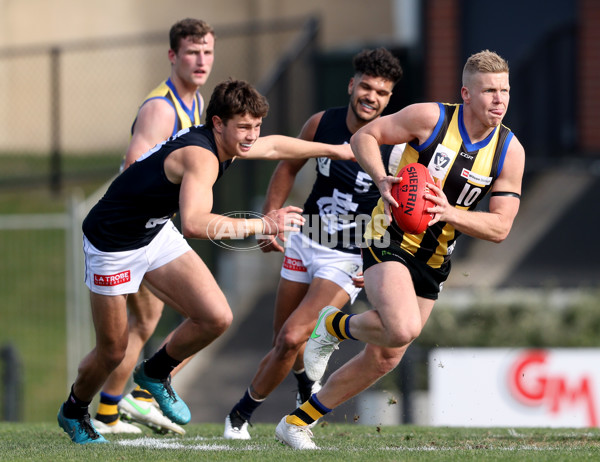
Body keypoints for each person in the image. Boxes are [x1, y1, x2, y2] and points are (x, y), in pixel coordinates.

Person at [57, 78, 355, 444]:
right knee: (113, 350)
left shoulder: (230, 141)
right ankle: (74, 411)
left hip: (152, 232)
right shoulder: (201, 156)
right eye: (244, 127)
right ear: (217, 123)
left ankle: (154, 372)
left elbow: (276, 145)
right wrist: (264, 223)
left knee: (216, 316)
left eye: (256, 126)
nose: (251, 135)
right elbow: (196, 224)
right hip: (112, 245)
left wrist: (337, 150)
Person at [275, 49, 525, 449]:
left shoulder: (510, 151)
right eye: (490, 91)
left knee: (387, 356)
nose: (500, 99)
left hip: (435, 257)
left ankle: (297, 421)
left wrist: (448, 213)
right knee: (403, 327)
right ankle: (333, 325)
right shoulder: (431, 118)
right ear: (466, 93)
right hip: (386, 235)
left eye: (505, 91)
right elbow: (364, 136)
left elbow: (500, 227)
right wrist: (380, 178)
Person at [223, 48, 403, 440]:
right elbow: (288, 165)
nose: (372, 97)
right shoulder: (322, 123)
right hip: (307, 239)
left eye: (382, 92)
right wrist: (270, 221)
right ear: (351, 84)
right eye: (367, 87)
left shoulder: (397, 145)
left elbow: (402, 212)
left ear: (390, 100)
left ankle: (238, 417)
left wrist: (379, 263)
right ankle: (306, 387)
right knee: (283, 342)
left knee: (292, 336)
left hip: (349, 253)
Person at [92, 18, 215, 436]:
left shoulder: (197, 103)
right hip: (133, 231)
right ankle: (129, 400)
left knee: (146, 324)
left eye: (207, 52)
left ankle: (115, 407)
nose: (201, 61)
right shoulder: (162, 107)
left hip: (149, 227)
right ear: (172, 57)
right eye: (192, 53)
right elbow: (135, 164)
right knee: (181, 318)